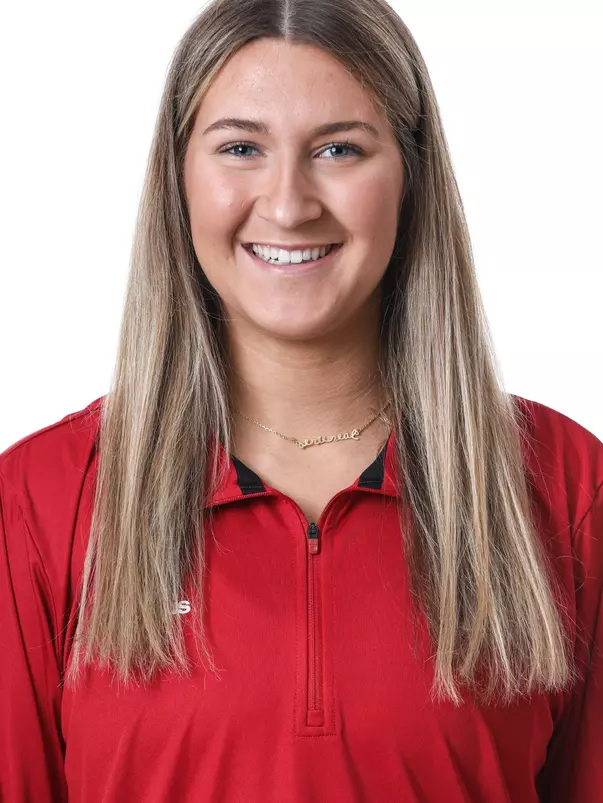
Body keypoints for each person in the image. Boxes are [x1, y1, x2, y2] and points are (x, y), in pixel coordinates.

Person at [1, 0, 601, 800]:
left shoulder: (565, 486)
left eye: (339, 149)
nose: (288, 203)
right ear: (178, 176)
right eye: (241, 147)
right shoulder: (40, 500)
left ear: (410, 175)